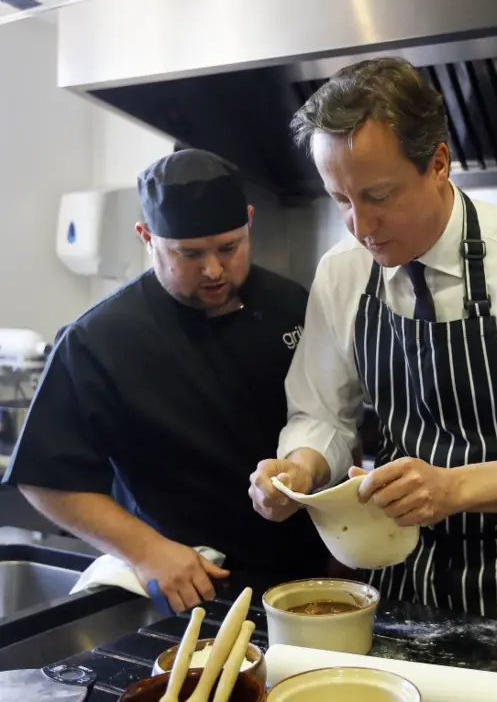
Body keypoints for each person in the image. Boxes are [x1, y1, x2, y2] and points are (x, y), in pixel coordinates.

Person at [249, 58, 497, 635]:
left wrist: (453, 488)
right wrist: (301, 469)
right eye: (340, 199)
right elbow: (321, 413)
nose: (360, 225)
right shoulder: (343, 272)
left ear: (437, 164)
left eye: (378, 195)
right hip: (395, 577)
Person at [3, 148, 329, 612]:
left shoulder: (291, 303)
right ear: (146, 237)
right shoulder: (100, 340)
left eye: (229, 247)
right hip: (191, 585)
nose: (213, 269)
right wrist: (147, 551)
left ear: (250, 222)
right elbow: (46, 478)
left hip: (304, 579)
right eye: (188, 254)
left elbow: (327, 419)